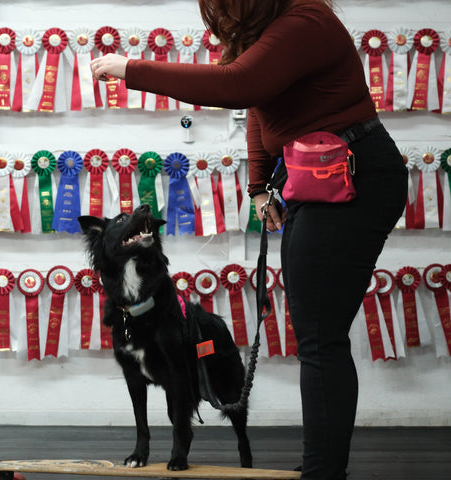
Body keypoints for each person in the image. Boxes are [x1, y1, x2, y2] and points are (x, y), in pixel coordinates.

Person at [90, 1, 408, 479]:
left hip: (353, 176)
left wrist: (130, 68)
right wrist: (259, 187)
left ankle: (324, 472)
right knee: (317, 336)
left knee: (320, 339)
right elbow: (261, 106)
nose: (217, 12)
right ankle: (323, 466)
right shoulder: (274, 32)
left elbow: (239, 87)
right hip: (317, 178)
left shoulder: (305, 22)